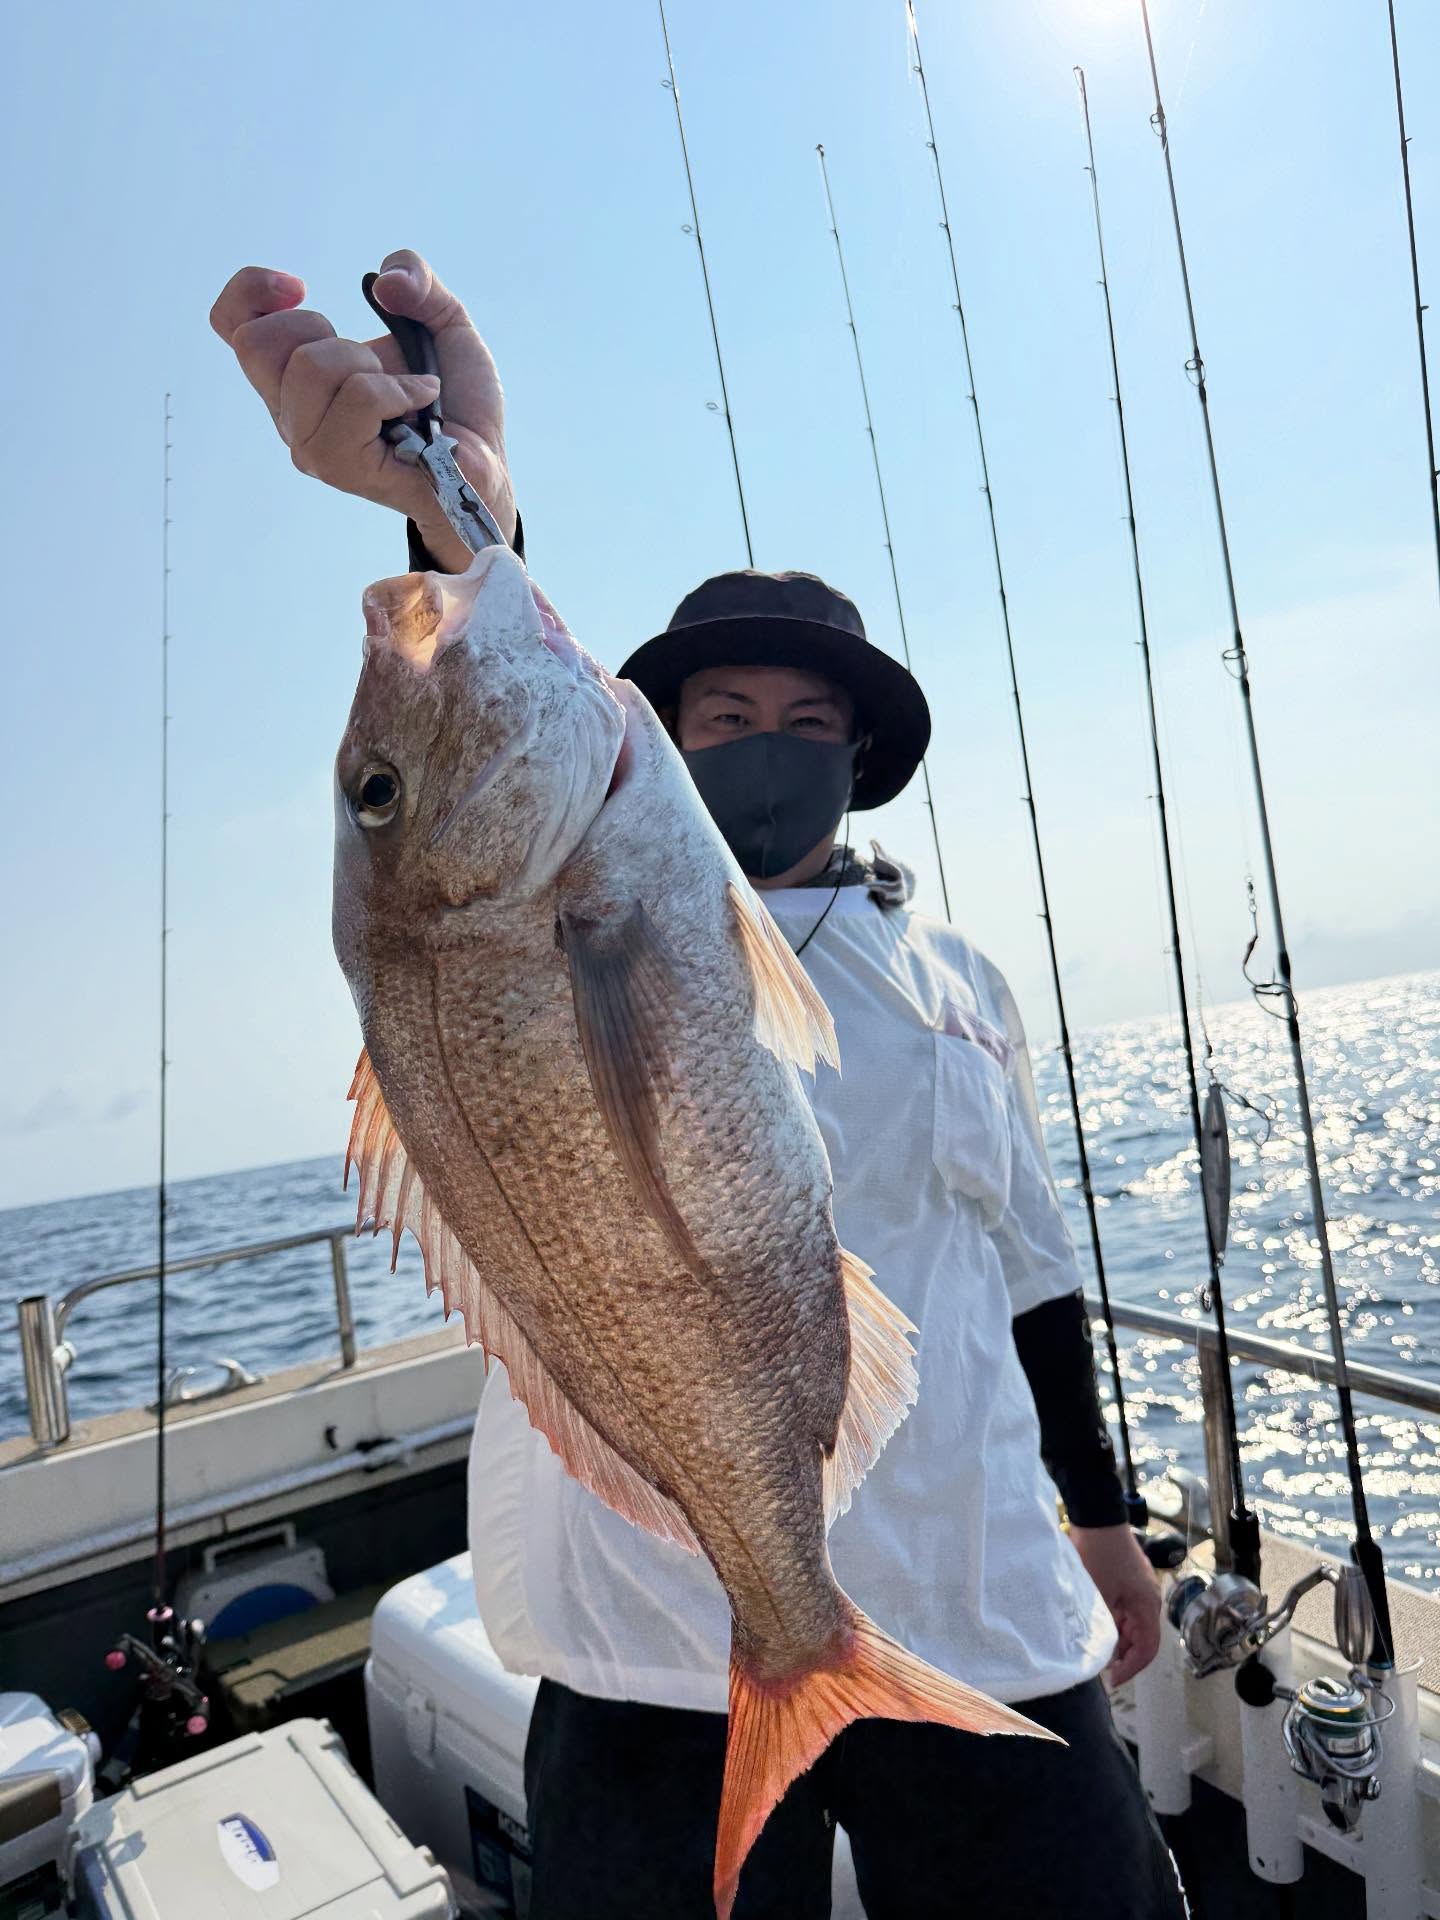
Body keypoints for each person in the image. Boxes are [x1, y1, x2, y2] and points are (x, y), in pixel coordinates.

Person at [212, 251, 1187, 1920]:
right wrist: (457, 519)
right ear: (656, 735)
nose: (765, 741)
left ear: (859, 759)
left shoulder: (961, 979)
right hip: (649, 1639)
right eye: (722, 713)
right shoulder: (618, 905)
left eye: (808, 718)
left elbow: (1032, 1272)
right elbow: (489, 723)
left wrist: (1103, 1523)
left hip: (983, 1601)